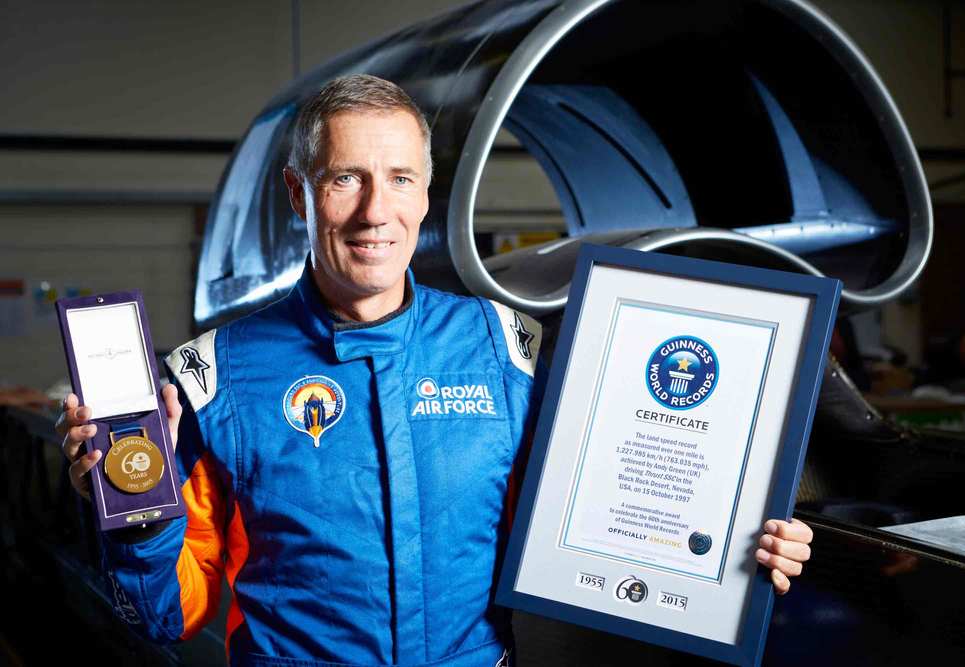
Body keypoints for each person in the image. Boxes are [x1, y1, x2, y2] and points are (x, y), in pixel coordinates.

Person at [56, 75, 813, 666]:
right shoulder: (213, 381)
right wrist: (136, 512)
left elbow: (605, 514)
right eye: (344, 178)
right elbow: (165, 616)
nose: (374, 211)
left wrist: (733, 541)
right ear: (298, 194)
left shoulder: (507, 351)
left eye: (400, 178)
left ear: (426, 192)